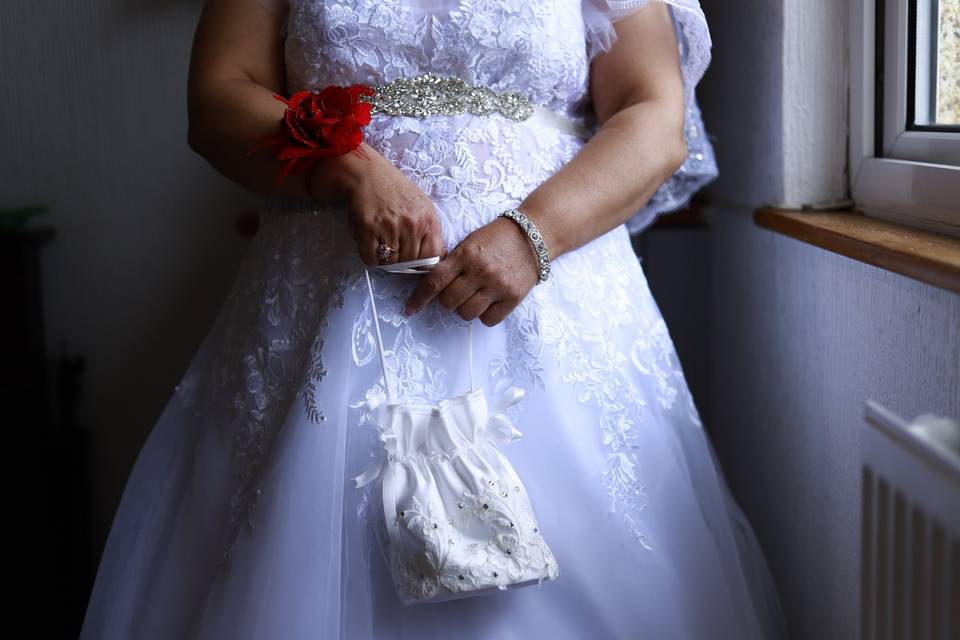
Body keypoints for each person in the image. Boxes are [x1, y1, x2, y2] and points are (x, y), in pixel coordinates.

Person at [80, 0, 789, 637]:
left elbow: (653, 114)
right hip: (323, 303)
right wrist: (350, 168)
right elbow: (219, 96)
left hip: (555, 306)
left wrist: (531, 235)